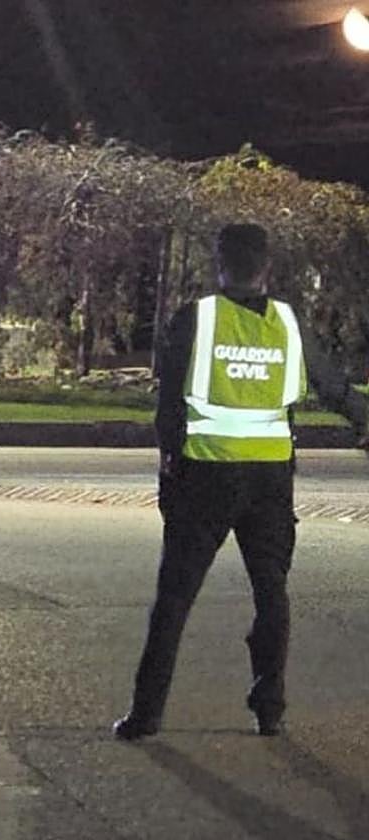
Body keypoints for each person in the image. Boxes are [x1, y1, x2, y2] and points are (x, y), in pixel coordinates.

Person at [114, 222, 368, 741]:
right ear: (266, 267)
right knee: (272, 593)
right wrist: (363, 419)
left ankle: (146, 714)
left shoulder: (196, 319)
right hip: (270, 482)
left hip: (203, 478)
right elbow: (333, 385)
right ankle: (270, 707)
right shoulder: (290, 324)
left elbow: (169, 405)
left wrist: (169, 464)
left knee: (174, 598)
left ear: (219, 264)